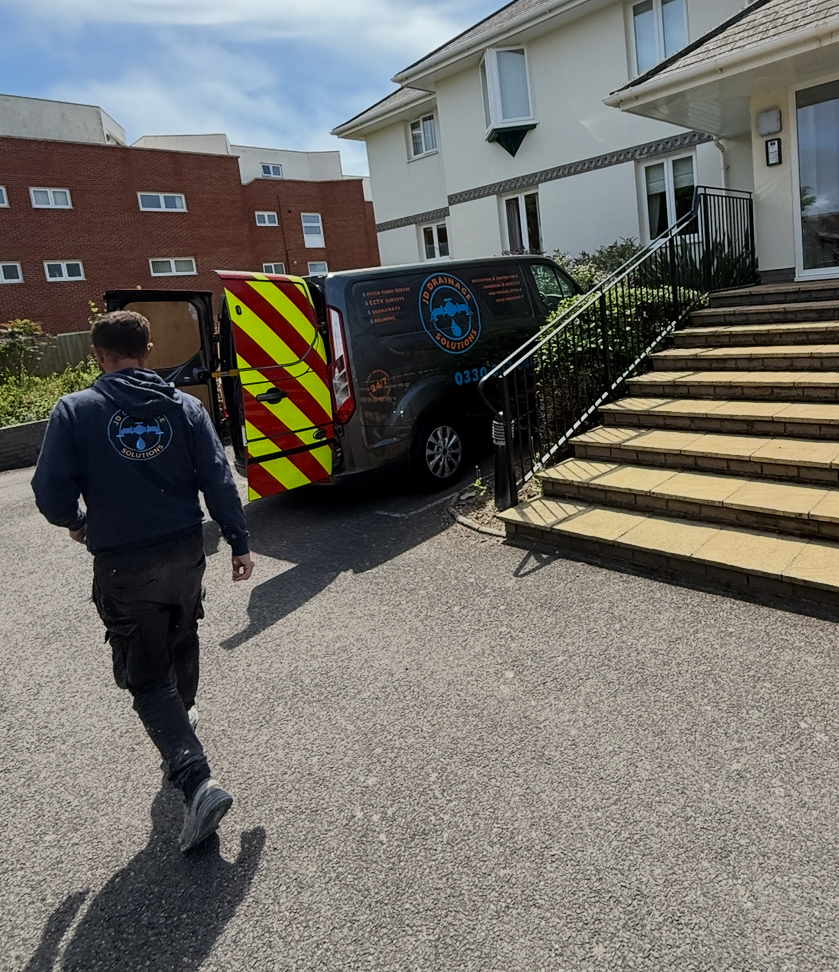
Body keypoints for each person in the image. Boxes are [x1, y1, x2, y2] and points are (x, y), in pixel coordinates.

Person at [32, 309, 254, 854]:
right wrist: (240, 541)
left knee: (145, 676)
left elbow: (48, 489)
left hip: (124, 564)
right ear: (148, 350)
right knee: (182, 636)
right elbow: (219, 477)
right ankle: (182, 723)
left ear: (98, 356)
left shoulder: (75, 410)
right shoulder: (186, 408)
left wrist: (76, 521)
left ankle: (195, 779)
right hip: (185, 551)